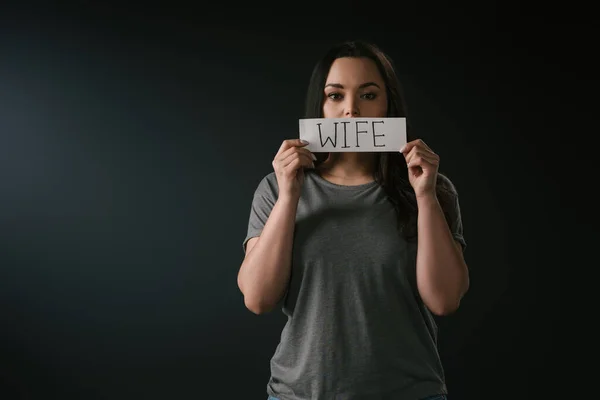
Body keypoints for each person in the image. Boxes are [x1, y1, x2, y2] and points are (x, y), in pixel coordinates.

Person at [237, 39, 469, 400]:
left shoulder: (430, 188)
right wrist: (289, 197)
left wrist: (425, 196)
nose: (351, 111)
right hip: (299, 395)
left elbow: (445, 300)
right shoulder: (276, 188)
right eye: (336, 96)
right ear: (320, 105)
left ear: (388, 104)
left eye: (368, 95)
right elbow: (257, 298)